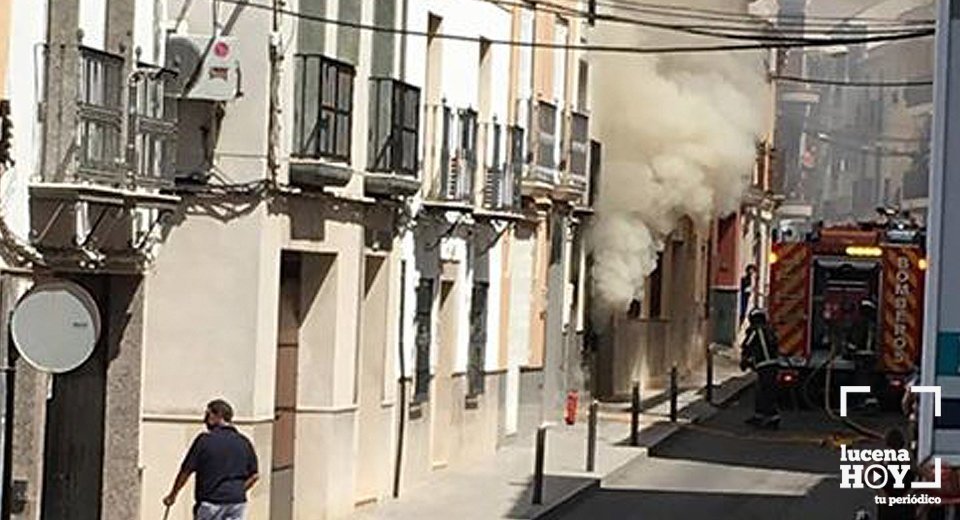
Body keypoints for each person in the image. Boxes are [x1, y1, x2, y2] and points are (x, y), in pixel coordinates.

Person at [163, 399, 260, 520]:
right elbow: (255, 475)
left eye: (207, 414)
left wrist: (173, 495)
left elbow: (186, 470)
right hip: (236, 503)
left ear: (217, 416)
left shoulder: (204, 441)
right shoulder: (244, 442)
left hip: (211, 502)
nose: (204, 419)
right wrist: (238, 490)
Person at [740, 308, 781, 428]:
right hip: (773, 364)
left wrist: (745, 360)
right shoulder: (769, 330)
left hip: (764, 365)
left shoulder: (756, 330)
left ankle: (772, 417)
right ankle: (760, 415)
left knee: (765, 392)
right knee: (762, 390)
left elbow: (747, 345)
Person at [876, 428, 916, 520]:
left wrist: (911, 492)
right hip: (889, 502)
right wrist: (880, 491)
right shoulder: (882, 458)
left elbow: (921, 475)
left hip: (903, 502)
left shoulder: (907, 459)